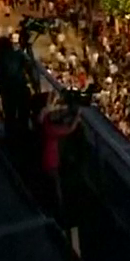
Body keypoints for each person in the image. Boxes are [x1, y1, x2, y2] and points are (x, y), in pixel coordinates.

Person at [37, 92, 81, 221]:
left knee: (52, 185)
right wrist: (77, 117)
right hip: (51, 161)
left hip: (47, 159)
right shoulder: (52, 130)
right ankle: (59, 211)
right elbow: (69, 130)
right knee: (56, 187)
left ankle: (55, 207)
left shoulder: (46, 124)